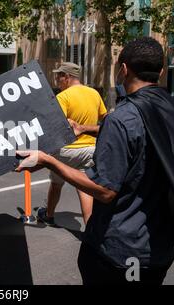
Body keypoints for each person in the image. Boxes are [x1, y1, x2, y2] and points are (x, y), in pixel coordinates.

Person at [16, 37, 174, 285]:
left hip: (121, 253)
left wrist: (49, 161)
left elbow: (105, 191)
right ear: (161, 72)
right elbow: (136, 133)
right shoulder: (168, 107)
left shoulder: (123, 117)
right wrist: (86, 127)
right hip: (158, 250)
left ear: (124, 69)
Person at [37, 62, 106, 226]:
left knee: (56, 183)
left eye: (59, 76)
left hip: (67, 151)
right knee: (84, 187)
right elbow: (104, 119)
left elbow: (55, 125)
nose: (56, 80)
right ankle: (89, 227)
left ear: (67, 77)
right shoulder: (94, 93)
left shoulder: (63, 97)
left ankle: (49, 214)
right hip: (90, 149)